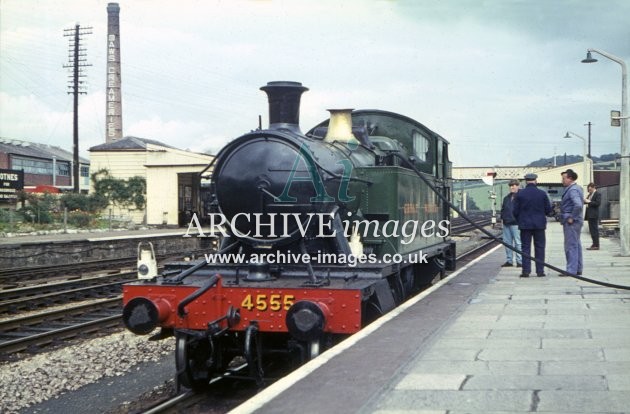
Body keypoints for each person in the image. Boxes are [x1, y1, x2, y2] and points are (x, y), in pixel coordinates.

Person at [513, 173, 552, 277]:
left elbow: (514, 211)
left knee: (525, 247)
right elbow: (548, 210)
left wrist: (520, 220)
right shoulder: (542, 194)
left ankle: (526, 271)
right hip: (539, 225)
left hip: (525, 225)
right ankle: (540, 271)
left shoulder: (520, 194)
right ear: (535, 181)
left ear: (526, 181)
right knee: (540, 247)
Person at [560, 169, 584, 275]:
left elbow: (578, 204)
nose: (562, 181)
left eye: (564, 178)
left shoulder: (572, 190)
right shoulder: (577, 188)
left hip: (572, 222)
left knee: (570, 245)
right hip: (577, 221)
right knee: (576, 244)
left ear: (570, 178)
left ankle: (571, 270)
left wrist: (572, 217)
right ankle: (577, 268)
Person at [500, 179, 522, 267]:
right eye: (511, 185)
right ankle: (509, 260)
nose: (512, 187)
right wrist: (502, 218)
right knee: (507, 242)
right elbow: (503, 209)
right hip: (506, 223)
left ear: (518, 186)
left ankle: (519, 261)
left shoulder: (521, 197)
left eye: (514, 185)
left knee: (518, 243)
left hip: (516, 224)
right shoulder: (506, 198)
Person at [584, 182, 601, 250]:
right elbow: (586, 202)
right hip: (589, 214)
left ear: (593, 188)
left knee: (594, 230)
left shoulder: (598, 194)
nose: (589, 190)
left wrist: (589, 202)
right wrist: (585, 201)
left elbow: (598, 203)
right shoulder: (590, 194)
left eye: (590, 189)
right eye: (588, 190)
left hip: (594, 214)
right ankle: (594, 244)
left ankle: (596, 245)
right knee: (591, 230)